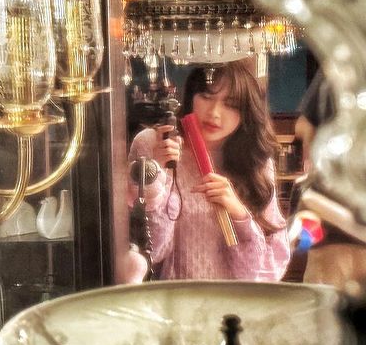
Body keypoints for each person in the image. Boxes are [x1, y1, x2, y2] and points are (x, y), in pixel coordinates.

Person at [124, 61, 290, 282]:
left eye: (231, 104)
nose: (214, 113)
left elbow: (265, 270)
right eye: (206, 96)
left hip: (233, 299)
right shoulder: (153, 143)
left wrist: (238, 213)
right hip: (171, 296)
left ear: (247, 112)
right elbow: (151, 253)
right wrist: (158, 175)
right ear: (191, 96)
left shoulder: (255, 158)